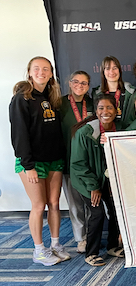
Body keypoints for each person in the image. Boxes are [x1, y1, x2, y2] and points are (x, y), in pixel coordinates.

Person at [9, 56, 70, 266]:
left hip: (54, 159)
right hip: (32, 162)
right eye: (37, 69)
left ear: (51, 73)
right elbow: (19, 134)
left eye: (46, 69)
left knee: (54, 203)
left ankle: (55, 245)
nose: (41, 72)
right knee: (38, 205)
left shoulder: (52, 98)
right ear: (29, 72)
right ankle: (39, 250)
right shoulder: (21, 98)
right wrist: (28, 165)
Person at [70, 94, 124, 266]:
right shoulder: (85, 132)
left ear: (116, 110)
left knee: (116, 209)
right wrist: (94, 187)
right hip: (86, 180)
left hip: (109, 179)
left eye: (109, 107)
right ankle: (91, 252)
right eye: (101, 108)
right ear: (96, 111)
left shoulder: (121, 129)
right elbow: (79, 164)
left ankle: (113, 246)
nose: (105, 111)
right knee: (97, 212)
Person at [60, 71, 93, 254]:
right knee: (74, 203)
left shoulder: (93, 103)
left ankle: (92, 234)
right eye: (76, 82)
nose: (80, 85)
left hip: (89, 161)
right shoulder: (60, 104)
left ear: (88, 86)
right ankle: (81, 238)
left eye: (84, 83)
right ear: (69, 83)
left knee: (90, 202)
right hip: (68, 160)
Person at [92, 56, 135, 123]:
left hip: (126, 131)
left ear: (119, 70)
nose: (111, 72)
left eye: (114, 68)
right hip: (105, 132)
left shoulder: (130, 92)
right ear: (103, 72)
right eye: (108, 68)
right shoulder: (97, 93)